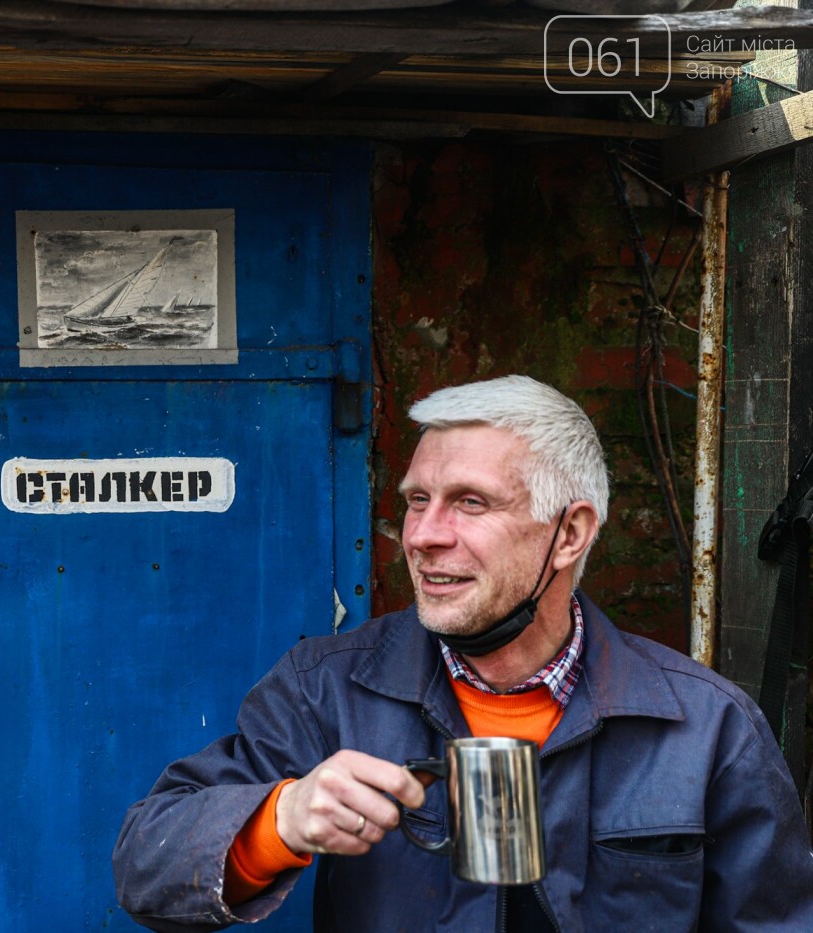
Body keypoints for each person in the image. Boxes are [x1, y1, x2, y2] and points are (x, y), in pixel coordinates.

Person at [112, 375, 813, 932]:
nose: (423, 535)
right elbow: (146, 864)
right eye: (417, 501)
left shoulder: (705, 727)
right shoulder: (328, 687)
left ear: (569, 534)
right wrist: (283, 816)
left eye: (470, 502)